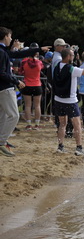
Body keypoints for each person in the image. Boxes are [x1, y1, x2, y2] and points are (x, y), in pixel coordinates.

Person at [0, 27, 49, 157]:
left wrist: (39, 49)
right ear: (5, 37)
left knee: (3, 116)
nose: (11, 39)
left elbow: (18, 54)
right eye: (10, 36)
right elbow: (2, 73)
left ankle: (2, 140)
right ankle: (1, 142)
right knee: (14, 115)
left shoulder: (3, 50)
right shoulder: (1, 51)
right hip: (4, 88)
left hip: (3, 88)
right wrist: (16, 82)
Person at [19, 43, 44, 130]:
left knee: (28, 105)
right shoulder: (39, 62)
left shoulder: (24, 62)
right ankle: (37, 124)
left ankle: (29, 124)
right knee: (37, 105)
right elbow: (41, 68)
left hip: (27, 85)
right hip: (37, 85)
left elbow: (20, 71)